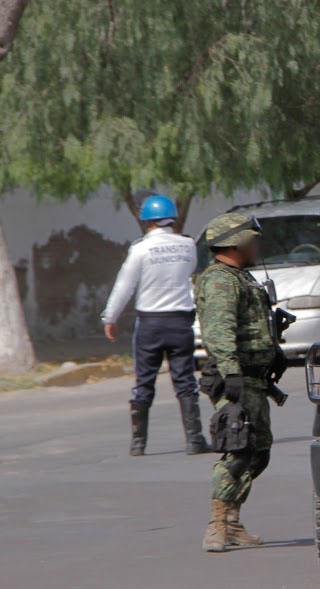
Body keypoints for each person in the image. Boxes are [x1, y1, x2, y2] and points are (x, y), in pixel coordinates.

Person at [195, 212, 280, 552]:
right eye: (252, 239)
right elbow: (219, 331)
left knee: (258, 452)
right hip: (236, 378)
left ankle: (232, 521)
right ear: (237, 242)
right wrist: (231, 374)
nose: (257, 245)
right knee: (237, 450)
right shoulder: (220, 281)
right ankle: (216, 526)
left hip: (254, 380)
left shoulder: (241, 277)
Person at [101, 194, 208, 456]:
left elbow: (124, 285)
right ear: (171, 218)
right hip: (180, 322)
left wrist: (110, 318)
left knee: (144, 381)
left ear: (146, 221)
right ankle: (194, 440)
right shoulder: (188, 245)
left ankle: (138, 444)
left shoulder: (140, 249)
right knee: (185, 381)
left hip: (150, 324)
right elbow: (190, 273)